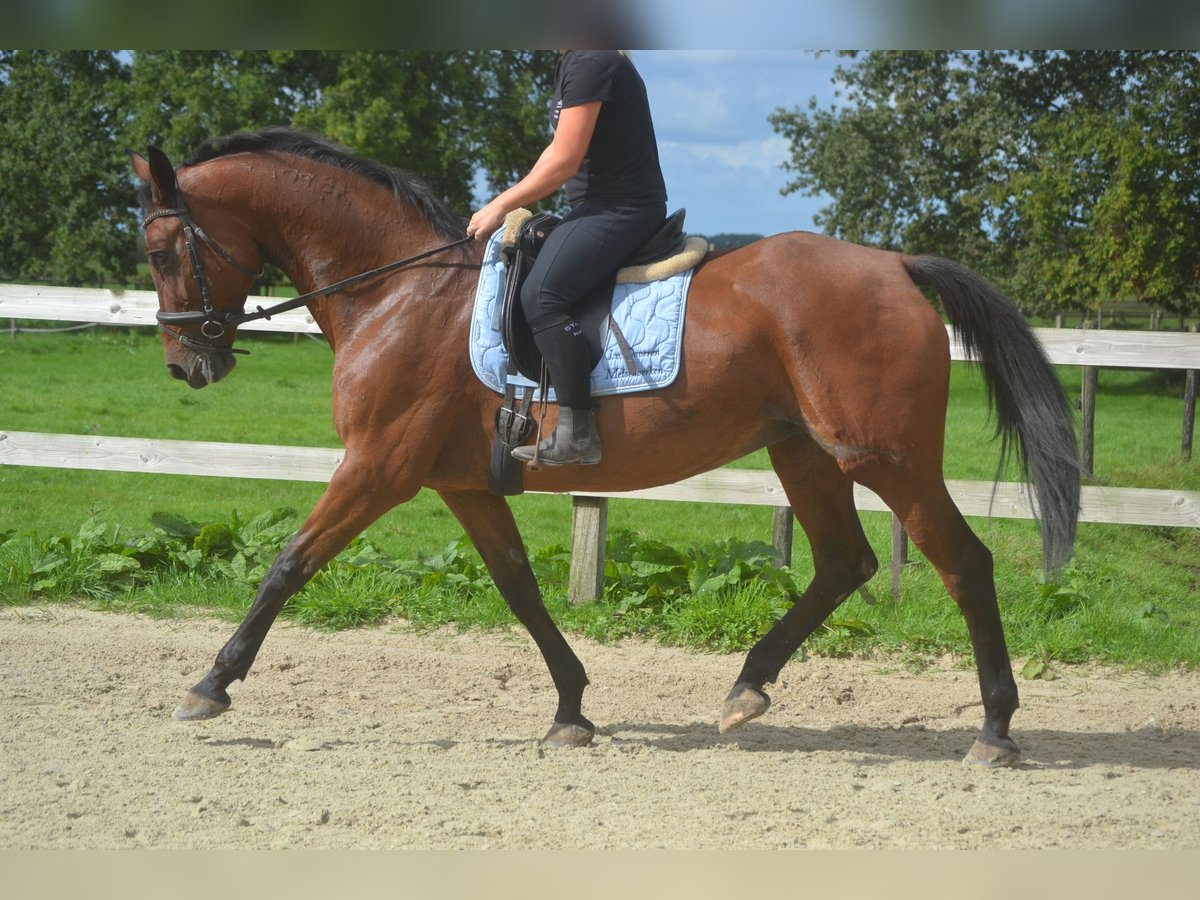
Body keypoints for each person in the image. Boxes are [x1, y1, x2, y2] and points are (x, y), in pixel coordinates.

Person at [467, 50, 668, 466]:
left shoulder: (592, 62)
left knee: (542, 293)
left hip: (619, 207)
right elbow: (554, 150)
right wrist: (501, 200)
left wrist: (499, 206)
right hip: (602, 206)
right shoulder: (577, 61)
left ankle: (578, 433)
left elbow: (565, 160)